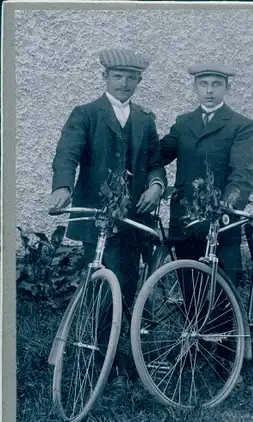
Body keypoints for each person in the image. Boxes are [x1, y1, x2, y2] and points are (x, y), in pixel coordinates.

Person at [50, 48, 167, 388]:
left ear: (139, 81)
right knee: (104, 291)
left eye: (132, 78)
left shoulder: (145, 119)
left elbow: (156, 160)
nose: (124, 83)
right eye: (118, 76)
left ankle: (123, 358)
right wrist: (62, 188)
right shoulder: (86, 114)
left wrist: (156, 185)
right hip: (98, 221)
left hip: (134, 219)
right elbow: (66, 154)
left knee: (128, 289)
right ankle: (105, 363)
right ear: (105, 79)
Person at [160, 62, 253, 286]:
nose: (210, 91)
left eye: (216, 84)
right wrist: (143, 121)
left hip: (220, 220)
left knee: (222, 294)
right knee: (189, 291)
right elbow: (158, 155)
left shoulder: (239, 125)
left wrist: (229, 202)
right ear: (196, 88)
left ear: (227, 88)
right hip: (186, 220)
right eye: (204, 84)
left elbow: (242, 173)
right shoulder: (184, 123)